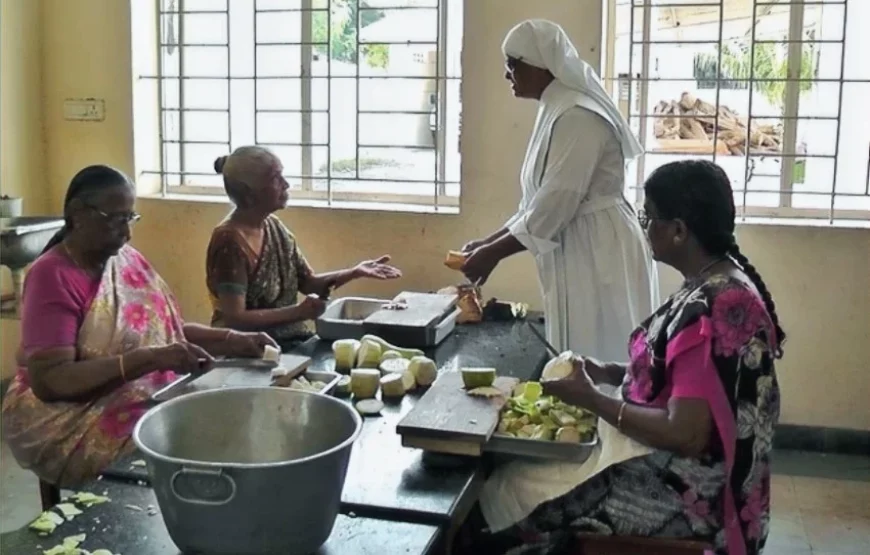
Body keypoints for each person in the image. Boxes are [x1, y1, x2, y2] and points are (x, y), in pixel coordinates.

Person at [462, 160, 784, 555]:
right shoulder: (716, 281)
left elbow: (685, 433)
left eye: (649, 216)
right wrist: (607, 371)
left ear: (680, 231)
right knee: (518, 476)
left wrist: (592, 399)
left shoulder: (713, 307)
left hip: (686, 493)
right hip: (677, 465)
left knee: (508, 497)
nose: (643, 226)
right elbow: (675, 376)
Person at [1, 165, 277, 488]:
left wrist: (231, 340)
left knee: (238, 415)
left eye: (130, 218)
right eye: (116, 219)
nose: (127, 233)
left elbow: (164, 330)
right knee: (185, 445)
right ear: (78, 214)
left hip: (143, 389)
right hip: (71, 416)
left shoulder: (125, 259)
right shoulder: (52, 276)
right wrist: (149, 359)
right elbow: (51, 380)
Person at [459, 20, 658, 363]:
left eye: (513, 64)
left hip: (600, 247)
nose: (508, 74)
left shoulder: (578, 115)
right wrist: (487, 242)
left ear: (540, 63)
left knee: (603, 344)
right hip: (577, 240)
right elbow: (536, 201)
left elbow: (556, 203)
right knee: (578, 347)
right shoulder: (555, 108)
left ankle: (611, 417)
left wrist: (493, 254)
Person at [206, 146, 402, 343]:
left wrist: (355, 272)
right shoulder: (230, 242)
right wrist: (298, 312)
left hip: (289, 342)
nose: (286, 184)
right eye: (275, 178)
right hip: (248, 350)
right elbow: (235, 319)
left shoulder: (273, 227)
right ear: (250, 193)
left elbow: (308, 283)